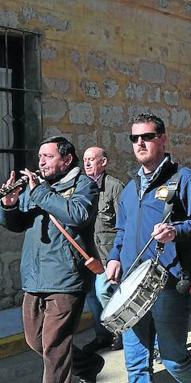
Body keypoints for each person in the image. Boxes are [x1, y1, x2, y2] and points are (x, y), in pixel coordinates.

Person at [105, 113, 191, 382]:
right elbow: (122, 230)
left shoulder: (183, 179)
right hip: (133, 286)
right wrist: (114, 258)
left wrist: (176, 231)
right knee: (136, 365)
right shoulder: (131, 187)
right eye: (135, 138)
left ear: (163, 139)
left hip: (168, 285)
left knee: (174, 360)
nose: (140, 143)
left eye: (147, 137)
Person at [0, 136, 101, 383]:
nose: (41, 162)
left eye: (48, 157)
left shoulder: (83, 185)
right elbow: (18, 224)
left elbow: (77, 215)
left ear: (66, 159)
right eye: (40, 157)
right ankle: (88, 365)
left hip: (66, 278)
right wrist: (9, 206)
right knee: (36, 341)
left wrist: (41, 192)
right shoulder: (38, 186)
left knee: (54, 347)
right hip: (34, 277)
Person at [80, 147, 125, 354]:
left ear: (103, 162)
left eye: (92, 159)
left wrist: (118, 254)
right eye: (85, 160)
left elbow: (124, 222)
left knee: (104, 292)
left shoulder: (115, 187)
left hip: (108, 254)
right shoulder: (81, 187)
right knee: (92, 296)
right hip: (89, 254)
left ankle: (121, 332)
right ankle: (102, 335)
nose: (87, 163)